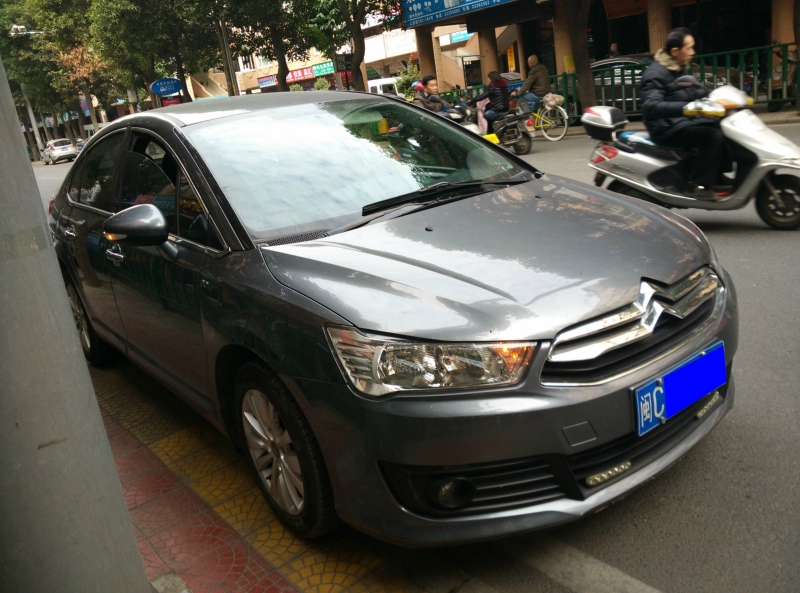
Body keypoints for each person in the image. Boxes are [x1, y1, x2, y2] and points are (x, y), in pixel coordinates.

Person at [641, 27, 728, 199]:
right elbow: (651, 106)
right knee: (713, 136)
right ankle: (699, 185)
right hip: (664, 127)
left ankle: (716, 175)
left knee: (724, 125)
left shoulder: (677, 67)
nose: (693, 52)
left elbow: (693, 92)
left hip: (679, 121)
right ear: (675, 51)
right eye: (688, 48)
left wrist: (716, 96)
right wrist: (686, 108)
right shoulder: (655, 74)